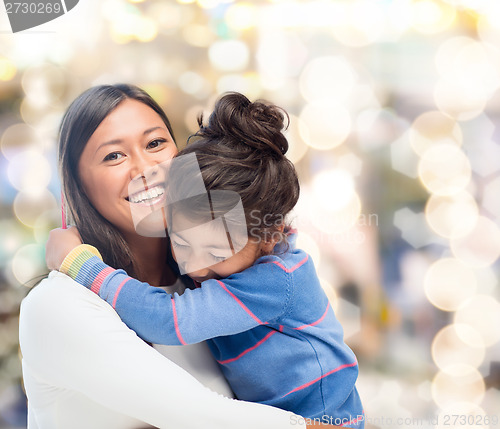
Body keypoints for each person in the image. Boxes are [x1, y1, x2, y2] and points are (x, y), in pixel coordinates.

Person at [19, 84, 338, 429]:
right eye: (114, 155)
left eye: (155, 143)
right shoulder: (58, 304)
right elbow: (204, 418)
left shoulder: (210, 282)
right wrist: (80, 265)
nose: (145, 168)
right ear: (78, 185)